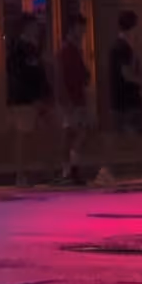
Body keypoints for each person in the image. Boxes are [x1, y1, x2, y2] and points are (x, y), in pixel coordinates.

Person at [97, 9, 142, 185]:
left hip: (124, 98)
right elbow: (126, 73)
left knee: (124, 136)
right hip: (127, 98)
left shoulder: (124, 46)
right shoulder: (121, 47)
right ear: (133, 27)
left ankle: (109, 171)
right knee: (137, 135)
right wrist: (141, 81)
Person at [6, 13, 51, 187]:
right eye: (33, 26)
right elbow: (18, 76)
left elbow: (39, 74)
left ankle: (38, 171)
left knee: (39, 134)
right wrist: (32, 98)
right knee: (24, 136)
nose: (36, 29)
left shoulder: (33, 48)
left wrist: (44, 95)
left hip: (35, 99)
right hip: (23, 100)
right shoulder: (19, 48)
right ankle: (22, 173)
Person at [56, 11, 91, 184]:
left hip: (76, 98)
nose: (82, 32)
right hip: (72, 99)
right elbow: (61, 77)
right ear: (72, 28)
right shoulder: (67, 51)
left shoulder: (75, 50)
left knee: (72, 133)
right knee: (77, 133)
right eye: (80, 28)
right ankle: (70, 170)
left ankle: (69, 170)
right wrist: (66, 100)